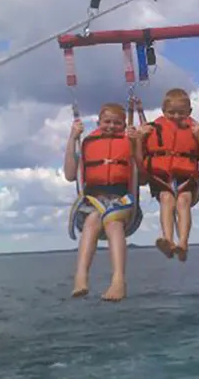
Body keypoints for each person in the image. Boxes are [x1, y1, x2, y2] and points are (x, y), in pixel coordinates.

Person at [63, 103, 142, 302]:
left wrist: (136, 144)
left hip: (122, 201)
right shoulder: (88, 142)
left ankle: (118, 281)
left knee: (113, 223)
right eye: (107, 122)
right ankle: (81, 277)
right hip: (94, 201)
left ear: (124, 125)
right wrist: (73, 137)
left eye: (117, 123)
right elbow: (70, 174)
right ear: (98, 122)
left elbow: (142, 173)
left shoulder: (129, 141)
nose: (111, 126)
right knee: (92, 221)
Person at [139, 88, 199, 262]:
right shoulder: (153, 129)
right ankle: (168, 240)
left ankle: (183, 243)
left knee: (183, 200)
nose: (176, 116)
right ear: (163, 111)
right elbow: (139, 158)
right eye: (171, 112)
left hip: (187, 178)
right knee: (166, 198)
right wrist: (140, 138)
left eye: (181, 113)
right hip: (162, 178)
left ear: (189, 112)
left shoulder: (194, 130)